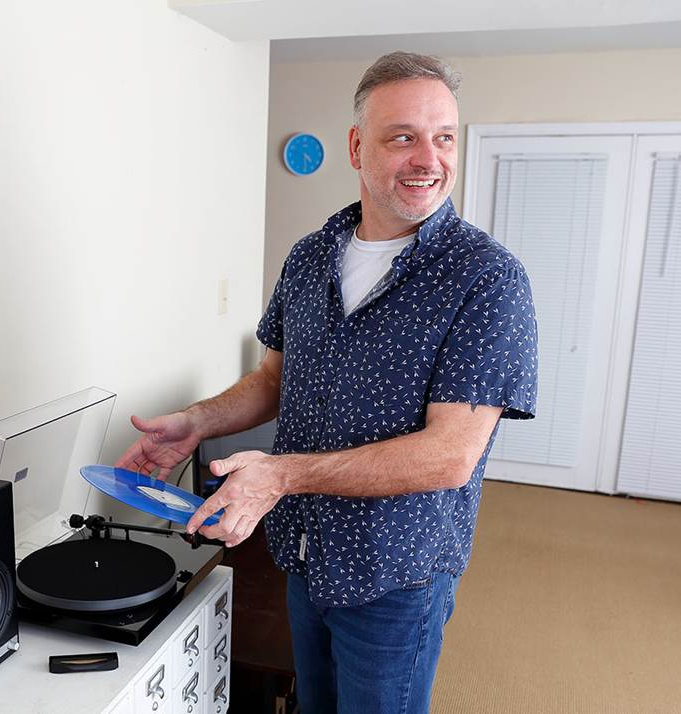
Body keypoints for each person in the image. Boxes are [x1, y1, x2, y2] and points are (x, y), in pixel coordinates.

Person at [116, 51, 538, 714]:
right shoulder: (311, 257)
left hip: (394, 574)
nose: (429, 158)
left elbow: (452, 454)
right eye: (403, 136)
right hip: (303, 552)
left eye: (444, 137)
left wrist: (283, 475)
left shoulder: (487, 279)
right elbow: (273, 380)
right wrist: (196, 422)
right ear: (356, 146)